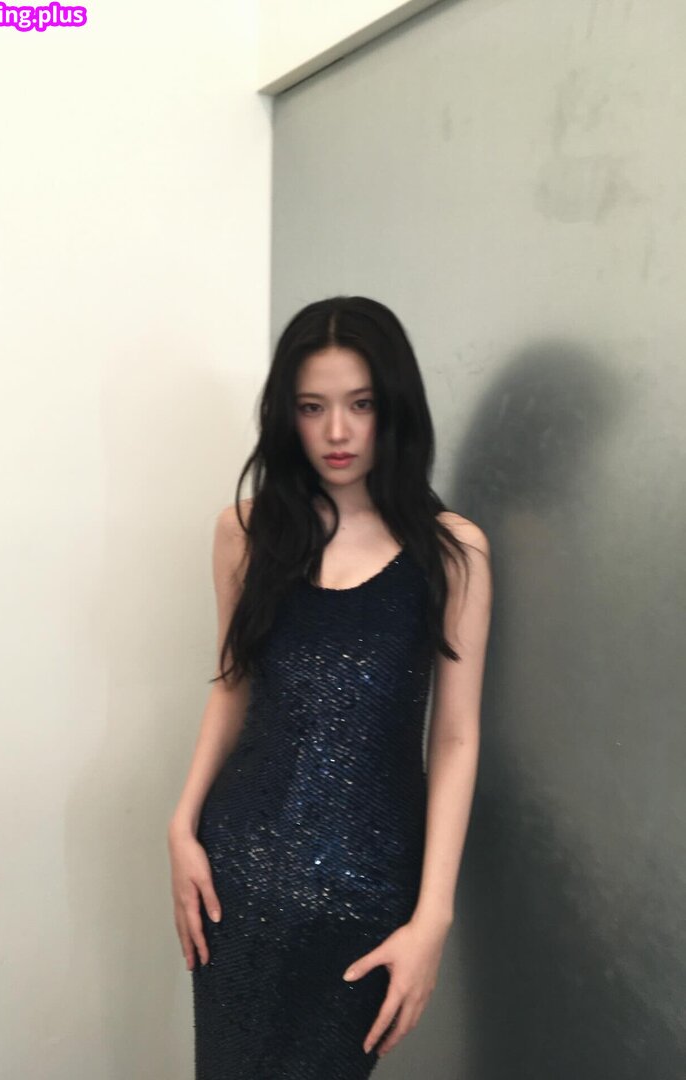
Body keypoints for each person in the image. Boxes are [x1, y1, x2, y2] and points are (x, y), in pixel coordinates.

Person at [167, 295, 492, 1078]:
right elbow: (232, 686)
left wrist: (434, 917)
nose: (337, 432)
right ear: (287, 414)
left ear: (394, 407)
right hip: (239, 873)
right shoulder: (244, 533)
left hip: (370, 890)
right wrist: (181, 826)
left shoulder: (453, 552)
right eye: (313, 407)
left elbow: (454, 736)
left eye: (361, 404)